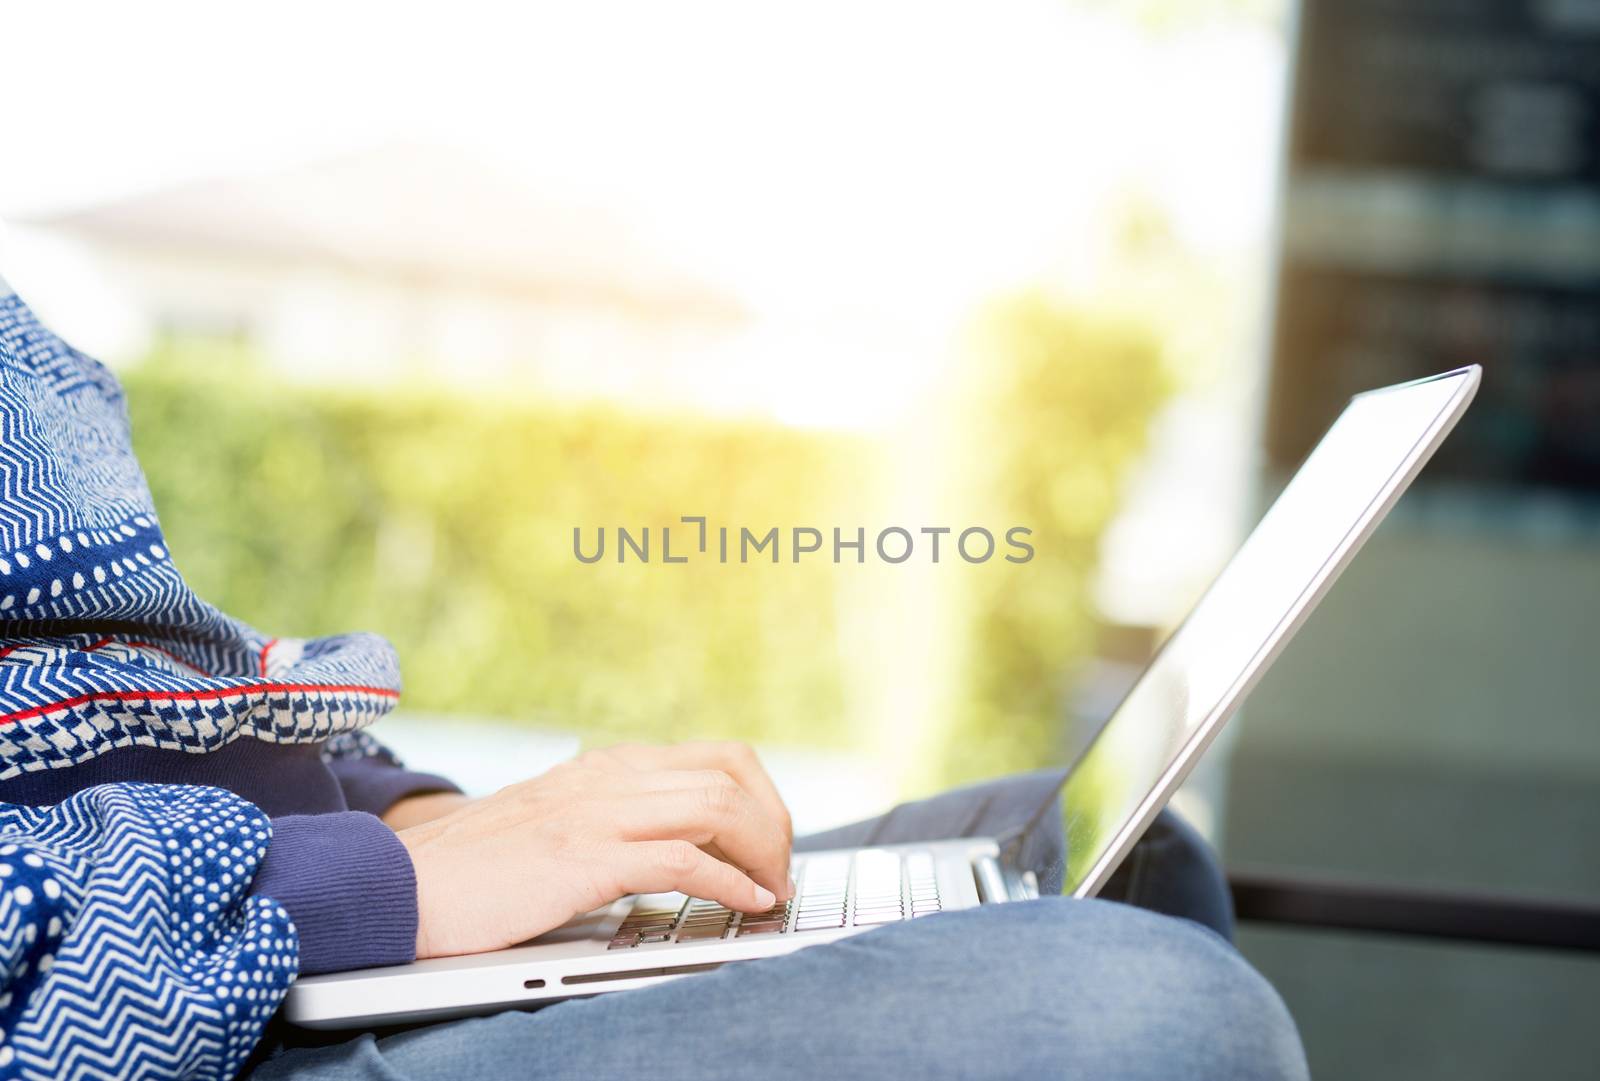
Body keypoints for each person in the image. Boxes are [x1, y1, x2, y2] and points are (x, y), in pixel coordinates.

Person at [0, 276, 1308, 1080]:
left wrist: (404, 811)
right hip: (210, 1021)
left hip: (296, 916)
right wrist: (377, 883)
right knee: (1161, 1020)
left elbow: (131, 687)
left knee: (1140, 865)